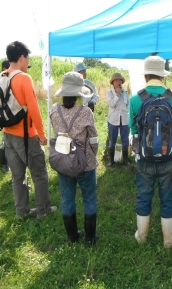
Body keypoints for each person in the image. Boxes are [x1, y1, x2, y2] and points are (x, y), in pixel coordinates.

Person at [129, 55, 172, 248]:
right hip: (169, 157)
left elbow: (133, 130)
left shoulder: (136, 98)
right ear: (162, 77)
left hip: (144, 158)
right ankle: (169, 239)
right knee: (168, 196)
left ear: (146, 76)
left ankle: (141, 236)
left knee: (144, 194)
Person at [3, 41, 57, 219]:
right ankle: (43, 210)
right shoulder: (23, 78)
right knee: (39, 173)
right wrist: (42, 135)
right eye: (27, 59)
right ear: (21, 58)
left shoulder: (2, 76)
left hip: (7, 134)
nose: (28, 63)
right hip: (26, 135)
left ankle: (22, 211)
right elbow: (33, 109)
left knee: (18, 176)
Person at [50, 71, 99, 245]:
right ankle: (90, 238)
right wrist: (93, 154)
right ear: (79, 92)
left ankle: (72, 236)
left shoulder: (54, 110)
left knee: (67, 198)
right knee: (89, 198)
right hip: (84, 162)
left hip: (63, 160)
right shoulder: (85, 112)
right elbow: (93, 138)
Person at [106, 73, 130, 166]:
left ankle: (125, 160)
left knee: (125, 140)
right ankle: (111, 161)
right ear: (113, 82)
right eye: (116, 80)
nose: (118, 82)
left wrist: (126, 110)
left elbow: (128, 104)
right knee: (112, 140)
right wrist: (117, 94)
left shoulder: (126, 93)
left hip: (124, 119)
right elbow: (111, 104)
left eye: (120, 80)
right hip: (113, 119)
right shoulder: (109, 93)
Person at [0, 60, 11, 172]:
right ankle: (3, 165)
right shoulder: (3, 79)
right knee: (5, 140)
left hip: (11, 114)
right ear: (4, 68)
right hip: (6, 115)